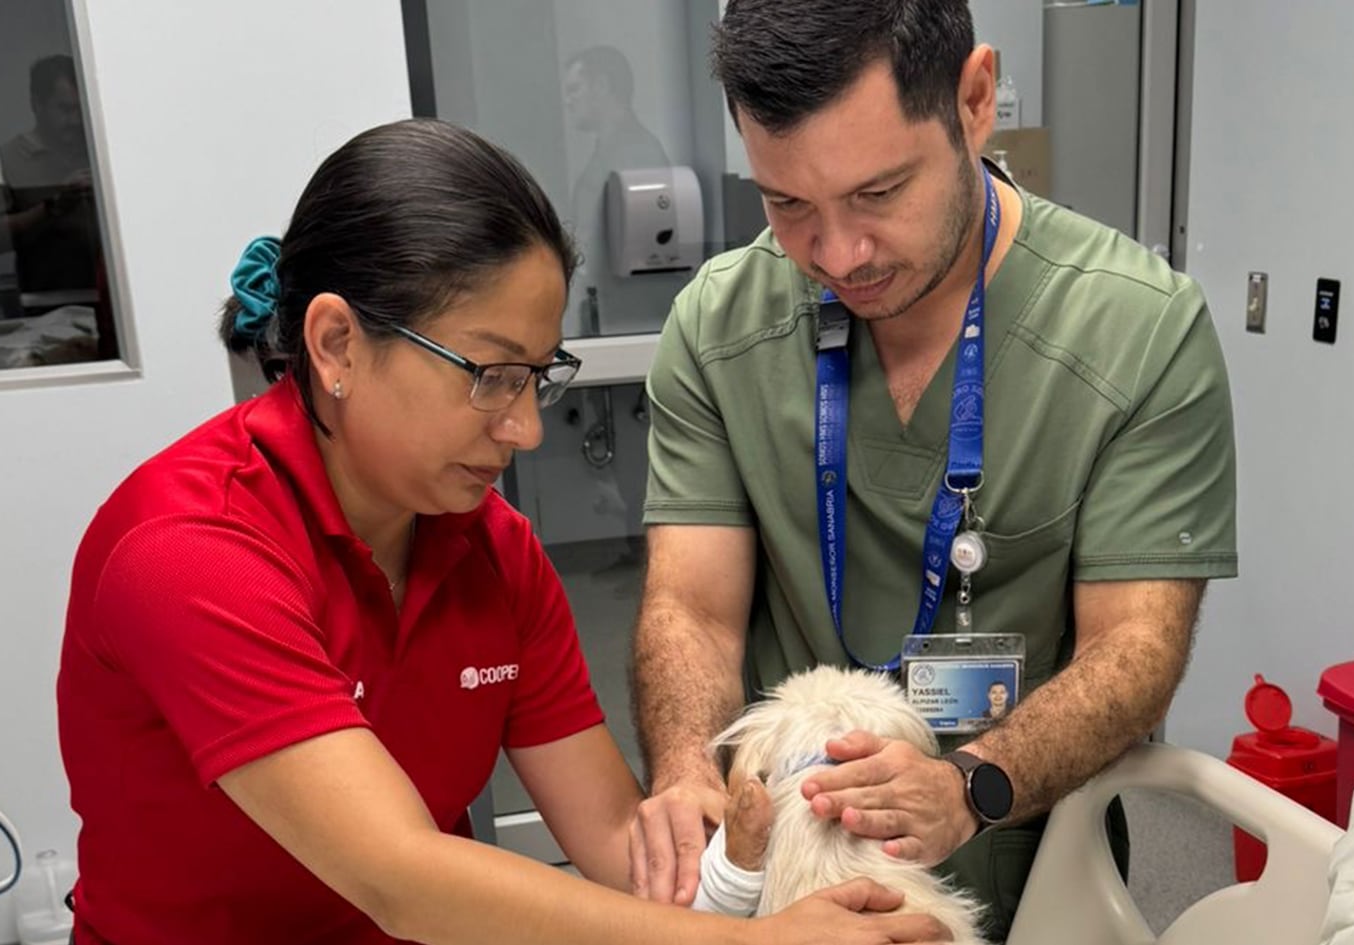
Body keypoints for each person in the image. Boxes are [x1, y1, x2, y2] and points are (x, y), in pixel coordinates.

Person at [56, 118, 951, 945]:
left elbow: (619, 845)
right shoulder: (190, 551)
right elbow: (400, 876)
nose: (523, 428)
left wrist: (761, 864)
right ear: (335, 345)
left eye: (536, 376)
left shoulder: (491, 549)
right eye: (489, 374)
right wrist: (750, 941)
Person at [630, 1, 1238, 939]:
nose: (837, 255)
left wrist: (970, 783)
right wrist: (685, 777)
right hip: (790, 874)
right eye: (788, 204)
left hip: (1031, 860)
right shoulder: (720, 325)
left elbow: (1134, 645)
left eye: (878, 192)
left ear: (974, 99)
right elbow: (692, 611)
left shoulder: (1139, 332)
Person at [0, 54, 100, 310]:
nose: (75, 120)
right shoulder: (3, 161)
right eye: (65, 109)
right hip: (45, 306)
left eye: (80, 109)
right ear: (36, 104)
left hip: (114, 300)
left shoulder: (101, 152)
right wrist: (52, 206)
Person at [562, 45, 669, 331]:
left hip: (627, 318)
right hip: (607, 310)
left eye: (575, 89)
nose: (568, 101)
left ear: (601, 86)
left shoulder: (639, 155)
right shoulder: (610, 152)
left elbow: (646, 252)